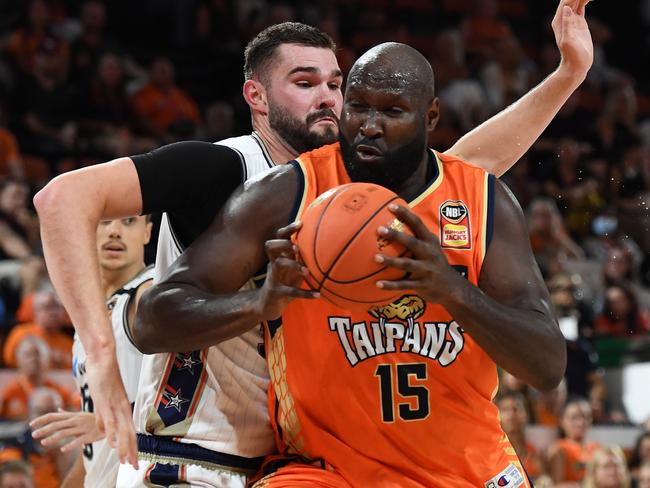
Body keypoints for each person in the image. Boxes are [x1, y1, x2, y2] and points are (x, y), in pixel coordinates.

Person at [33, 0, 594, 477]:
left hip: (278, 457)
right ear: (255, 95)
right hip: (195, 454)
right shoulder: (230, 172)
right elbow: (63, 200)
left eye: (334, 83)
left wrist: (567, 75)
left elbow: (459, 170)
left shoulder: (359, 187)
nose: (329, 99)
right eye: (307, 84)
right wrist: (104, 360)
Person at [143, 41, 565, 486]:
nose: (369, 126)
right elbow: (154, 321)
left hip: (469, 470)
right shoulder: (287, 195)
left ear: (431, 117)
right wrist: (256, 306)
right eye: (358, 106)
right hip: (326, 472)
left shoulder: (482, 201)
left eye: (391, 111)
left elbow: (547, 365)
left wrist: (454, 290)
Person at [29, 215, 153, 488]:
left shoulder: (149, 295)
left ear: (147, 232)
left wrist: (109, 423)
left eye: (129, 221)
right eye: (105, 222)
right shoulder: (90, 311)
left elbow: (187, 400)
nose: (115, 232)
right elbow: (93, 455)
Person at [547, 398, 601, 487]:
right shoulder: (559, 448)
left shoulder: (597, 448)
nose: (581, 423)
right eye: (574, 418)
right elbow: (556, 485)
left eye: (585, 417)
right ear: (562, 421)